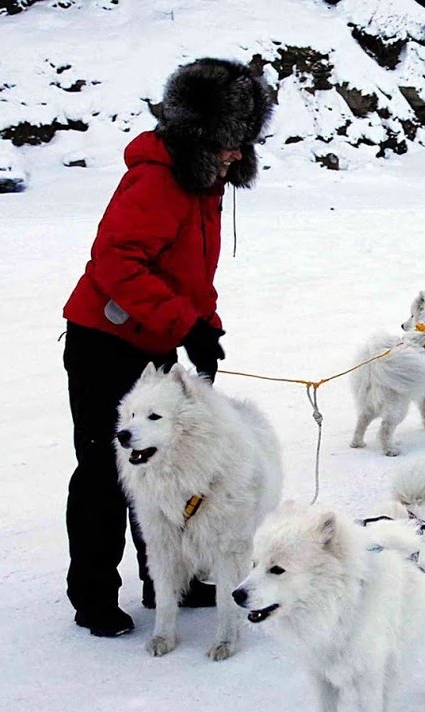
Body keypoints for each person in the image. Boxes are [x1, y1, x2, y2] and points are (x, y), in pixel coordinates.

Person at [61, 57, 272, 637]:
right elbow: (117, 263)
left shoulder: (204, 180)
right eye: (230, 140)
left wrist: (206, 325)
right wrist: (185, 323)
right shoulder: (157, 177)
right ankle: (94, 594)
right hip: (104, 342)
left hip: (154, 340)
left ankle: (167, 582)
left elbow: (187, 272)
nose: (237, 153)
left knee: (170, 466)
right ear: (201, 132)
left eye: (245, 142)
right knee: (109, 467)